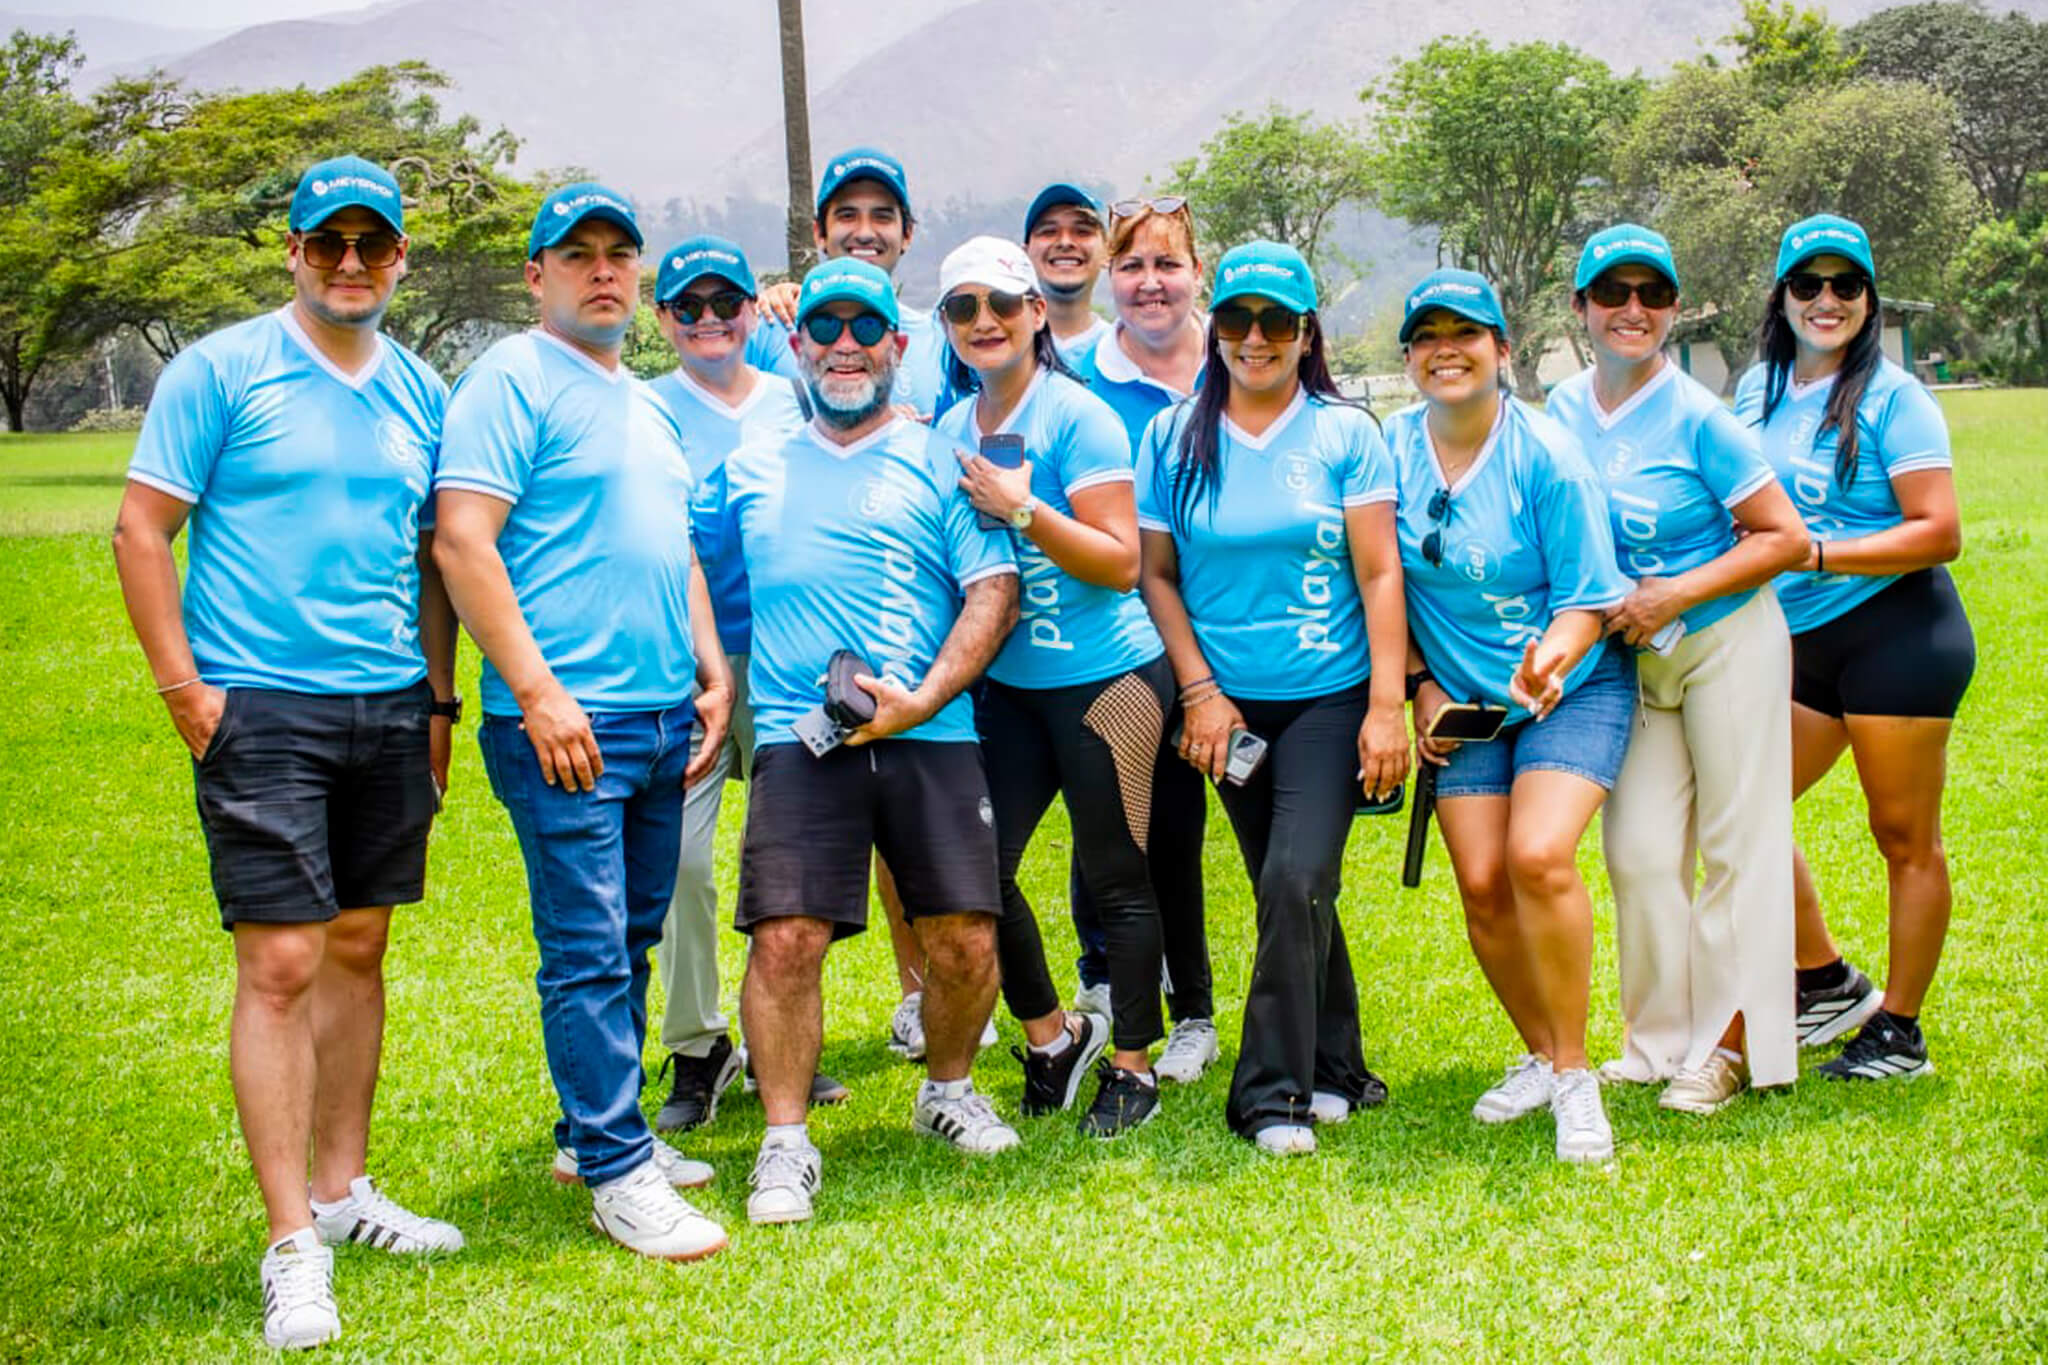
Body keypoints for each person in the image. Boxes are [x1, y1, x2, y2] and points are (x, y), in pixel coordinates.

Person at [111, 155, 463, 1351]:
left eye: (373, 244)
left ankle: (341, 1191)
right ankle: (289, 1245)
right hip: (259, 706)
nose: (351, 264)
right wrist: (184, 689)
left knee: (358, 946)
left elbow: (430, 558)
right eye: (329, 243)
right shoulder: (221, 369)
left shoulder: (420, 388)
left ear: (400, 257)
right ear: (294, 252)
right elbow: (142, 530)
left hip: (388, 704)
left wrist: (439, 701)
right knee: (279, 962)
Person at [432, 184, 731, 1261]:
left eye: (619, 253)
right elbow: (462, 541)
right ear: (537, 275)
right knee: (587, 949)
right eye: (578, 254)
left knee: (632, 934)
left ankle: (593, 1133)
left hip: (658, 715)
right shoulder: (510, 379)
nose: (603, 270)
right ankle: (616, 1169)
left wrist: (709, 669)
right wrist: (539, 692)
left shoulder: (646, 403)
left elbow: (675, 546)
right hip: (566, 721)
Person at [710, 258, 1021, 1225]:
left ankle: (947, 1089)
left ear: (898, 344)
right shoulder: (751, 467)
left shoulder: (942, 459)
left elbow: (993, 591)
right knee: (786, 937)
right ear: (797, 344)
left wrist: (922, 698)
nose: (844, 345)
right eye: (825, 327)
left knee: (964, 937)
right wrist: (713, 676)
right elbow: (688, 572)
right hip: (801, 739)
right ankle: (784, 1139)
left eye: (864, 328)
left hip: (933, 727)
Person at [1135, 241, 1409, 1154]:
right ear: (1214, 326)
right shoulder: (1172, 436)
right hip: (1227, 712)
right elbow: (1156, 575)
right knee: (1289, 886)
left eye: (1276, 321)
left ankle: (1269, 1095)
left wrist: (1385, 706)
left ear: (1306, 333)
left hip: (1330, 698)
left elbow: (1379, 573)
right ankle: (1337, 1065)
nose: (1255, 338)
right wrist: (1200, 693)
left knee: (1296, 878)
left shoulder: (1345, 433)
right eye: (1237, 318)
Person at [1547, 225, 1811, 1114]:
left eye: (1652, 295)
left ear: (1673, 309)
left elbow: (1785, 537)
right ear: (1581, 306)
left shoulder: (1700, 415)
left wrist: (1675, 595)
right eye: (1612, 293)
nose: (1633, 310)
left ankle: (1728, 1047)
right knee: (1641, 852)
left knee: (1740, 847)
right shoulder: (1560, 408)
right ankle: (1656, 1042)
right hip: (1632, 660)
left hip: (1726, 641)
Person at [1387, 269, 1635, 1164]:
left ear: (1502, 349)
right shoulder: (1389, 449)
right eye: (1427, 335)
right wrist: (1419, 684)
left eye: (1466, 333)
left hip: (1570, 690)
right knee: (1483, 881)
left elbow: (1589, 601)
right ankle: (1540, 1050)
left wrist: (1551, 660)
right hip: (1464, 705)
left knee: (1536, 856)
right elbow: (1379, 580)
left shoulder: (1549, 458)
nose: (1445, 350)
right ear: (1410, 357)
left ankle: (1575, 1076)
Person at [932, 236, 1172, 1136]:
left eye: (1002, 303)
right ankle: (1053, 1037)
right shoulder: (948, 431)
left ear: (1037, 312)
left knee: (1117, 875)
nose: (984, 321)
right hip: (1008, 689)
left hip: (1109, 680)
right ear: (947, 325)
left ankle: (1133, 1065)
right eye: (963, 308)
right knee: (975, 872)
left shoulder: (1081, 417)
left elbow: (1121, 564)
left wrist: (1024, 509)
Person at [1735, 214, 1973, 1081]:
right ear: (1783, 297)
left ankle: (1899, 1031)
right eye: (1809, 284)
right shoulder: (1755, 388)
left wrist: (1817, 553)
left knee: (1903, 834)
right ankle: (1826, 978)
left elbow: (1939, 530)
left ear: (1869, 299)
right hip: (1800, 638)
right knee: (1743, 810)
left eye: (1846, 284)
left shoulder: (1896, 398)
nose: (1826, 300)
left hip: (1896, 632)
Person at [642, 235, 842, 1132]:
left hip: (789, 658)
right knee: (681, 861)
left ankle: (782, 1039)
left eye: (727, 303)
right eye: (689, 306)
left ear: (755, 311)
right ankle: (698, 1043)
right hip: (686, 668)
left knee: (791, 865)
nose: (710, 320)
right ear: (663, 319)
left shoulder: (797, 398)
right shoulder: (644, 410)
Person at [1066, 195, 1220, 1083]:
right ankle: (1112, 987)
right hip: (1125, 638)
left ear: (1198, 273)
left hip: (1233, 633)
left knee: (1201, 829)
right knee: (1124, 822)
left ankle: (1195, 1006)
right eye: (1131, 266)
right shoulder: (1080, 380)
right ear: (1108, 277)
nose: (1150, 283)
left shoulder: (1242, 357)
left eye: (1167, 264)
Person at [751, 146, 952, 419]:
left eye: (882, 217)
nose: (865, 233)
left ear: (907, 234)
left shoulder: (942, 342)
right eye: (847, 216)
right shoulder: (770, 327)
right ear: (819, 233)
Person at [1022, 182, 1113, 366]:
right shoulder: (999, 351)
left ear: (1108, 253)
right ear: (1025, 254)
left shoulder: (1126, 352)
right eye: (1048, 232)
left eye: (1082, 231)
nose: (1065, 242)